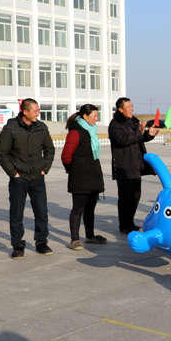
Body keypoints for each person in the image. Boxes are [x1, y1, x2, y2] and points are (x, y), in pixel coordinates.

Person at [0, 99, 55, 259]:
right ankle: (18, 245)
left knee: (42, 212)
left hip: (38, 177)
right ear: (25, 112)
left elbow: (49, 150)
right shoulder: (11, 128)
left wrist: (44, 169)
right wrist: (13, 173)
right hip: (19, 178)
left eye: (39, 110)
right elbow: (1, 153)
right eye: (35, 110)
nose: (38, 113)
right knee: (16, 214)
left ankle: (41, 242)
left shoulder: (41, 127)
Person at [109, 98, 159, 234]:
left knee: (135, 196)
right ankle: (124, 225)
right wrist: (139, 132)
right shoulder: (115, 124)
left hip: (136, 165)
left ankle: (130, 223)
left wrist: (148, 135)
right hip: (124, 166)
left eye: (132, 106)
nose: (132, 109)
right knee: (125, 198)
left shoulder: (133, 121)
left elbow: (138, 139)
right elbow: (123, 140)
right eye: (128, 106)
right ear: (120, 109)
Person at [61, 105, 106, 250]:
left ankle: (90, 236)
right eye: (94, 115)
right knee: (78, 208)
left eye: (97, 115)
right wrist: (74, 169)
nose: (96, 118)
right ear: (85, 116)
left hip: (93, 174)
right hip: (80, 175)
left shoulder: (92, 131)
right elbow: (66, 156)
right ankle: (75, 239)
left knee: (90, 207)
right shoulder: (75, 132)